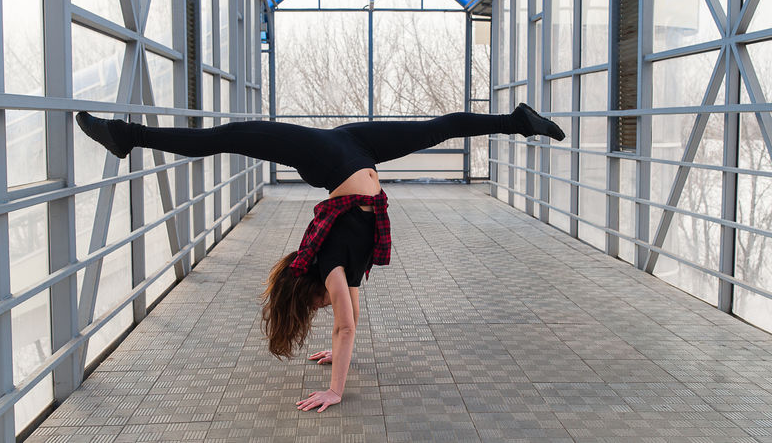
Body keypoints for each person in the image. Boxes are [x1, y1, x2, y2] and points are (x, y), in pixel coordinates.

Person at [75, 104, 564, 412]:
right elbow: (349, 320)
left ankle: (126, 136)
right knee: (436, 130)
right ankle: (517, 122)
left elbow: (346, 325)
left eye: (314, 307)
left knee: (223, 137)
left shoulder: (329, 268)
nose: (328, 308)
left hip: (325, 156)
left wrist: (335, 388)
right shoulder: (342, 274)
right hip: (355, 148)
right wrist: (337, 355)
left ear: (309, 290)